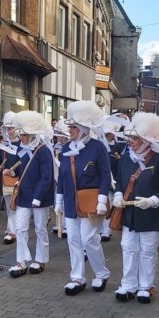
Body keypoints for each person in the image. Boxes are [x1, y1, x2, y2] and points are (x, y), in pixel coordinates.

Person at [113, 113, 159, 304]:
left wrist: (153, 200)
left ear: (146, 141)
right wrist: (117, 195)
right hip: (130, 213)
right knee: (128, 248)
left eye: (134, 139)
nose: (130, 142)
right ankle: (128, 285)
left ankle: (145, 286)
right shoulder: (125, 159)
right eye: (130, 138)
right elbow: (120, 183)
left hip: (152, 214)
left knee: (148, 251)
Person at [55, 100, 111, 296]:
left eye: (73, 127)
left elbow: (105, 175)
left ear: (83, 129)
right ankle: (77, 277)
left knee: (89, 239)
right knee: (73, 240)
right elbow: (62, 175)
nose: (69, 131)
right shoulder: (65, 149)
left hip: (90, 201)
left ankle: (101, 273)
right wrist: (58, 200)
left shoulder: (97, 147)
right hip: (70, 201)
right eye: (69, 127)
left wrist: (102, 199)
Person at [8, 110, 55, 278]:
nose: (21, 137)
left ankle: (40, 259)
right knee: (20, 228)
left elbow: (47, 176)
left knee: (40, 228)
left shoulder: (43, 151)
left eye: (24, 135)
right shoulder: (21, 147)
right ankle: (21, 260)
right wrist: (12, 173)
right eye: (21, 134)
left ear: (33, 134)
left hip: (39, 196)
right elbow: (19, 168)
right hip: (24, 194)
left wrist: (38, 197)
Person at [0, 111, 20, 244]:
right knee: (9, 205)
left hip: (16, 180)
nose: (10, 132)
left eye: (12, 129)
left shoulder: (22, 145)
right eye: (8, 129)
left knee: (14, 206)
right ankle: (11, 229)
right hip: (5, 181)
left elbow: (24, 163)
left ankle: (12, 232)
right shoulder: (3, 146)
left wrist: (13, 172)